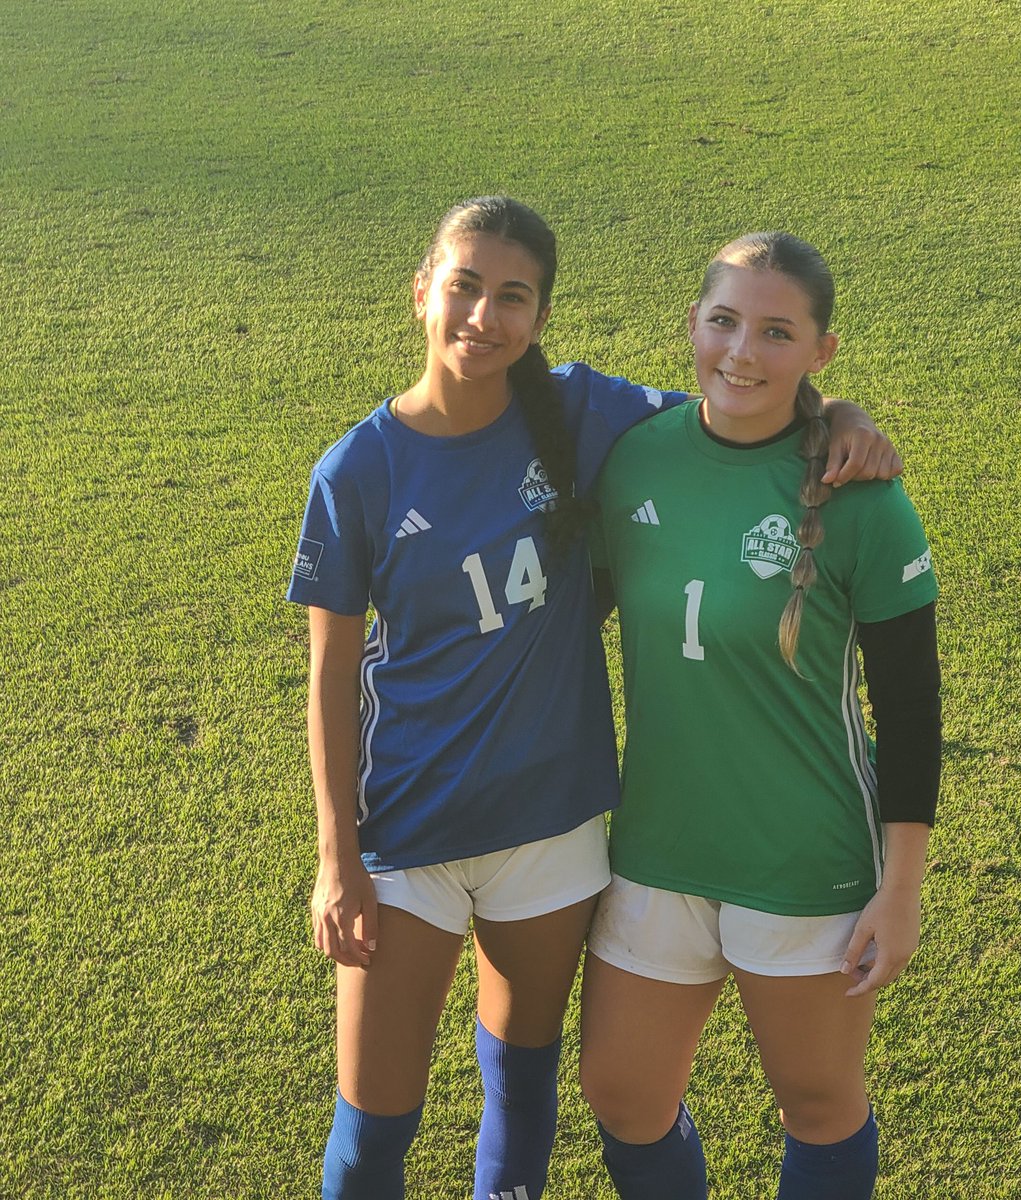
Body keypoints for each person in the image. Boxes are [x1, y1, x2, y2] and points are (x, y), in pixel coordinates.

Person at [286, 197, 901, 1200]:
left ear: (540, 313)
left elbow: (739, 394)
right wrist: (335, 859)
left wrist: (838, 412)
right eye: (465, 287)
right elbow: (330, 674)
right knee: (372, 1124)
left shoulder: (578, 410)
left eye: (512, 297)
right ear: (421, 292)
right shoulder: (356, 471)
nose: (484, 316)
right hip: (405, 831)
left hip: (553, 826)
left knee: (524, 1085)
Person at [580, 231, 941, 1200]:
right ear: (690, 326)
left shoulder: (863, 497)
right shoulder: (631, 463)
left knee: (817, 1102)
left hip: (805, 858)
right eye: (725, 321)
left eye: (777, 332)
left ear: (822, 352)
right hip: (658, 846)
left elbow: (911, 709)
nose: (742, 352)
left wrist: (900, 887)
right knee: (620, 1092)